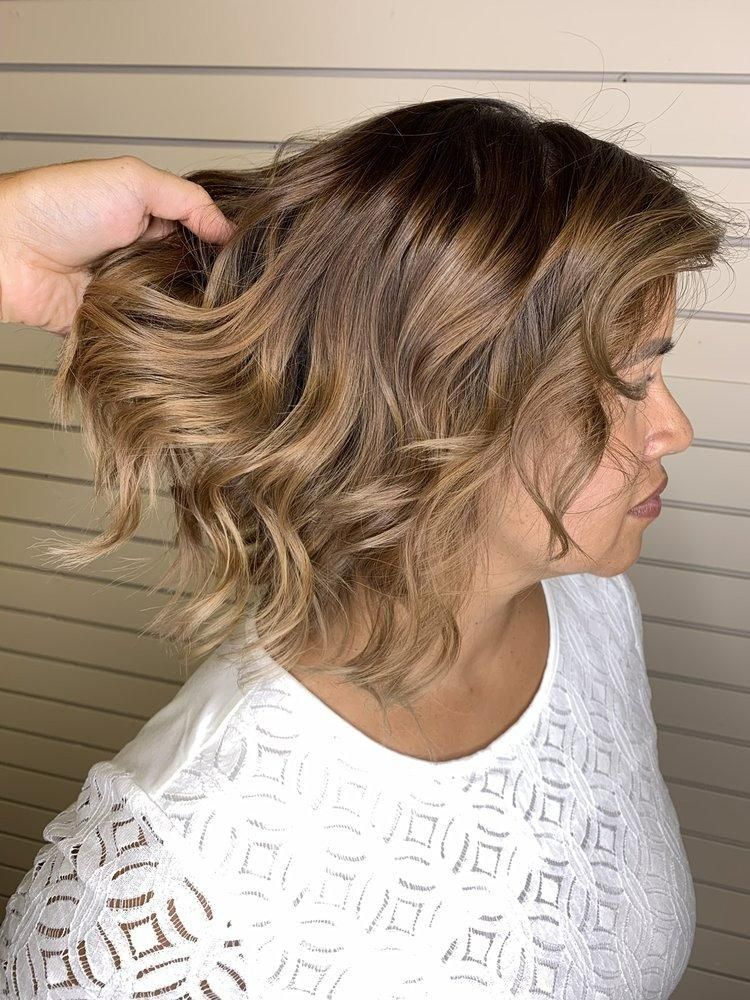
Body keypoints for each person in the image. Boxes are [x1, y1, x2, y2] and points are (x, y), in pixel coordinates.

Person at [0, 98, 737, 999]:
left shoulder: (588, 601)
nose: (675, 429)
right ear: (439, 413)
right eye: (625, 383)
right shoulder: (154, 909)